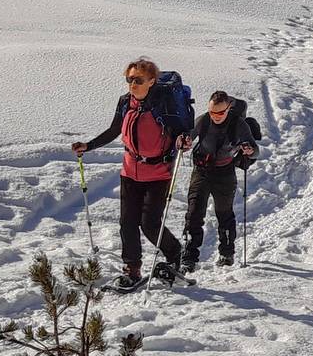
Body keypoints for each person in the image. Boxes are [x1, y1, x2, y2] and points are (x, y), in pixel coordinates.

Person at [72, 57, 192, 291]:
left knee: (149, 224)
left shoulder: (164, 103)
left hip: (158, 173)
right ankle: (132, 269)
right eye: (129, 79)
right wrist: (89, 145)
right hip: (129, 171)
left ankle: (174, 254)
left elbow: (181, 132)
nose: (132, 84)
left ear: (151, 81)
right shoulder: (126, 101)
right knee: (127, 222)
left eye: (138, 80)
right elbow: (114, 129)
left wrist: (183, 141)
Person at [180, 90, 257, 271]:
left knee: (224, 213)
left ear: (228, 108)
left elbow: (255, 150)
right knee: (194, 211)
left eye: (220, 113)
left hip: (225, 173)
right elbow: (189, 135)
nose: (215, 116)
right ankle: (189, 257)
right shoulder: (204, 120)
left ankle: (227, 254)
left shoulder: (239, 124)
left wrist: (250, 150)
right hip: (202, 171)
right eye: (212, 112)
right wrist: (184, 142)